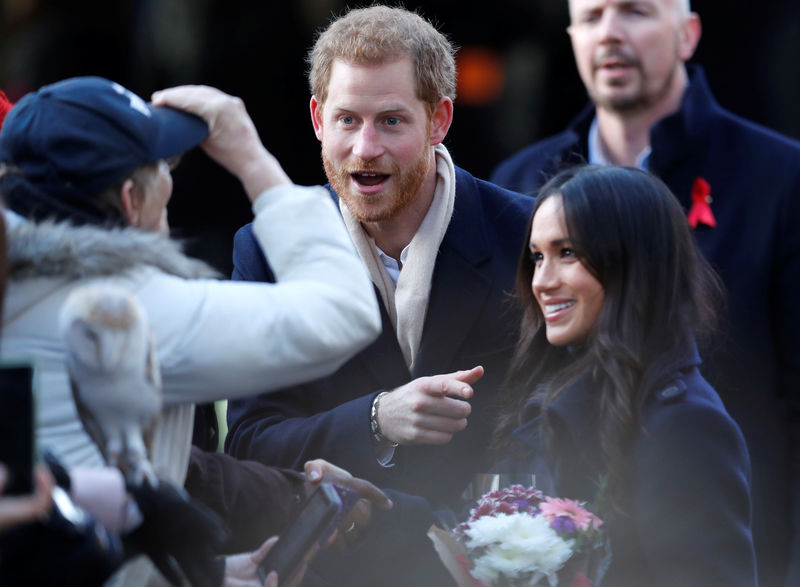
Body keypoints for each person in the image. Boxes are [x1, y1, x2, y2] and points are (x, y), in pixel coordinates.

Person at [0, 76, 385, 585]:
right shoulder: (119, 304)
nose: (171, 181)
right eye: (161, 166)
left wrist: (206, 575)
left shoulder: (24, 283)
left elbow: (82, 492)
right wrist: (252, 159)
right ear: (130, 200)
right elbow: (343, 312)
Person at [490, 1, 800, 584]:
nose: (609, 33)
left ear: (687, 35)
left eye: (634, 11)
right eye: (591, 16)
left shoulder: (781, 179)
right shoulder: (517, 184)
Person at [226, 5, 533, 515]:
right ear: (318, 120)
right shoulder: (268, 249)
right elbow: (249, 445)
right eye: (348, 120)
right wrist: (374, 420)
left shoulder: (525, 237)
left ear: (439, 120)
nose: (365, 148)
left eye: (391, 121)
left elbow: (573, 416)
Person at [489, 165, 756, 585]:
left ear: (632, 262)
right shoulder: (548, 393)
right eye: (538, 257)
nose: (542, 281)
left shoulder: (685, 424)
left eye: (568, 253)